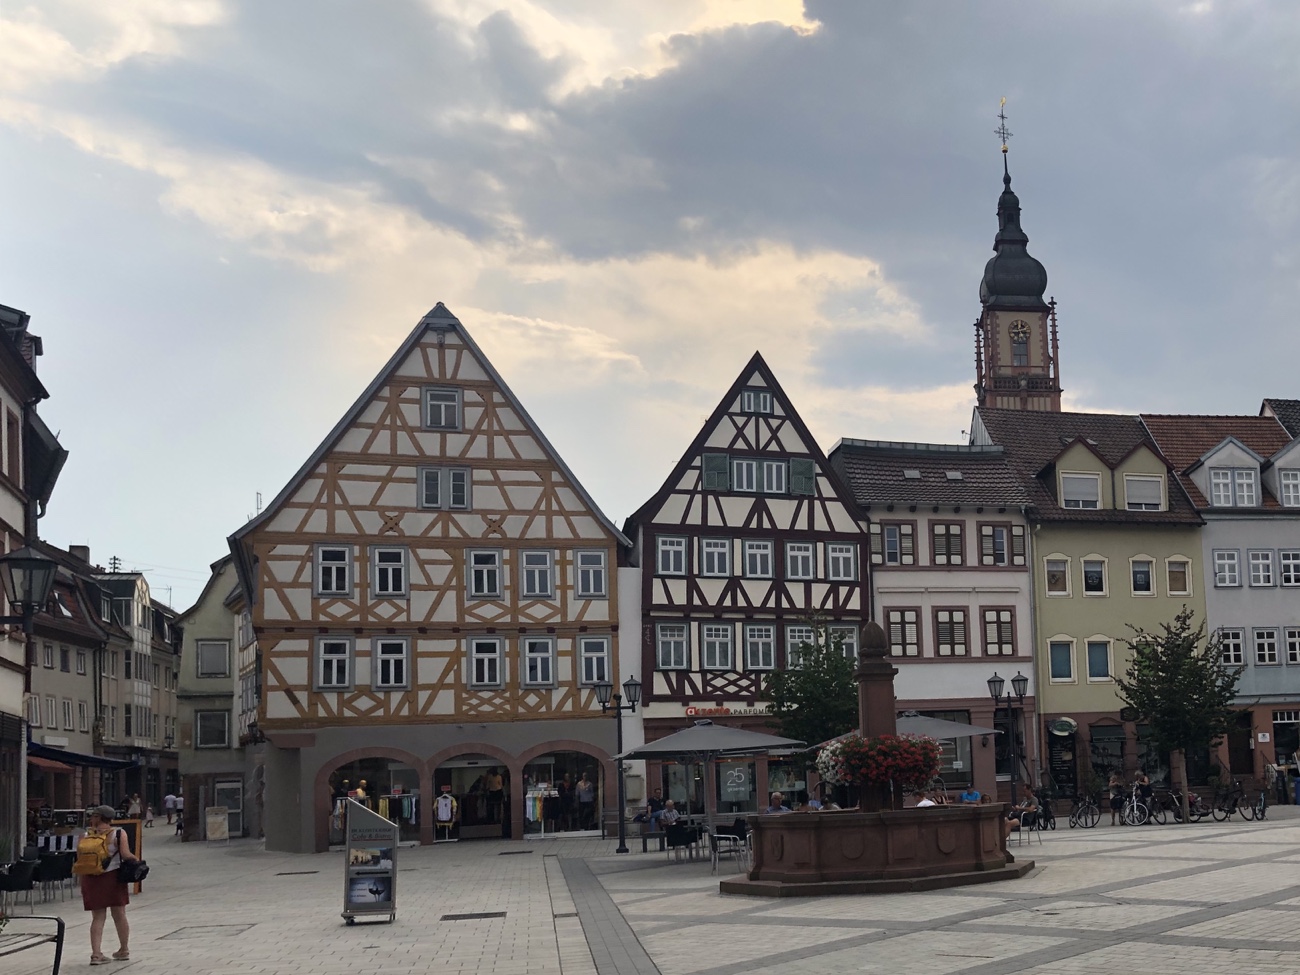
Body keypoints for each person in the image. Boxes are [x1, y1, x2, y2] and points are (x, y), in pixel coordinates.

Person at [81, 804, 139, 965]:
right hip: (113, 877)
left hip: (91, 877)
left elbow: (80, 858)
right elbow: (125, 854)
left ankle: (96, 954)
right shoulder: (118, 833)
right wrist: (137, 861)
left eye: (93, 816)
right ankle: (123, 949)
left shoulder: (85, 835)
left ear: (98, 817)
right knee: (119, 914)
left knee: (97, 917)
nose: (91, 818)